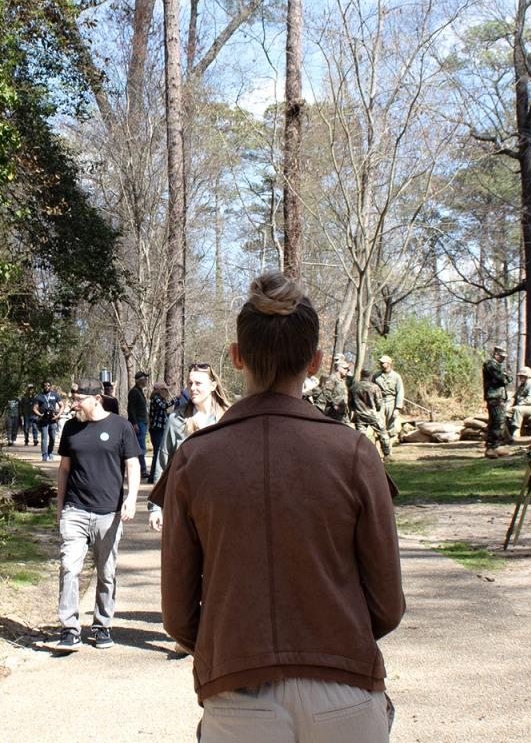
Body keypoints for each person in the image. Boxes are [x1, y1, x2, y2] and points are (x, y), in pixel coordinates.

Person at [152, 273, 403, 739]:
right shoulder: (353, 453)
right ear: (316, 362)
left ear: (236, 357)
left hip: (237, 692)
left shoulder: (196, 458)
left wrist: (228, 648)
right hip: (344, 689)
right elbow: (387, 604)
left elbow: (178, 616)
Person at [55, 379, 142, 649]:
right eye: (73, 397)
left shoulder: (120, 427)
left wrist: (131, 498)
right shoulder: (71, 427)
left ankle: (102, 625)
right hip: (75, 509)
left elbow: (133, 465)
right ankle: (69, 628)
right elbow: (64, 470)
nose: (74, 403)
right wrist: (60, 508)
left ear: (97, 398)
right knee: (69, 567)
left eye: (78, 398)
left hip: (109, 512)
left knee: (106, 572)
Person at [148, 363, 229, 531]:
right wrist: (155, 508)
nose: (192, 388)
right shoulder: (176, 420)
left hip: (220, 506)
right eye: (190, 383)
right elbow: (162, 463)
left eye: (198, 383)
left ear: (213, 385)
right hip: (183, 506)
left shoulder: (228, 418)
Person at [349, 364, 389, 459]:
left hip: (359, 415)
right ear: (370, 375)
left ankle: (361, 455)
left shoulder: (353, 387)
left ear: (362, 375)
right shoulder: (374, 387)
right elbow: (379, 403)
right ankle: (387, 454)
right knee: (383, 433)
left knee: (360, 437)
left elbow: (350, 403)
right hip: (372, 414)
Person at [482, 346, 512, 454]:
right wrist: (506, 377)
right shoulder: (491, 364)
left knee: (497, 421)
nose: (503, 359)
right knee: (497, 422)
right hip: (494, 397)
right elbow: (502, 379)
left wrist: (506, 377)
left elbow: (508, 379)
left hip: (498, 396)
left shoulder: (497, 366)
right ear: (496, 354)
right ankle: (493, 446)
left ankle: (494, 446)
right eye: (502, 356)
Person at [307, 355, 350, 423]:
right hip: (333, 413)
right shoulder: (333, 378)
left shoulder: (341, 380)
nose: (347, 370)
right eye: (345, 368)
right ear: (339, 368)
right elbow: (327, 393)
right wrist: (334, 405)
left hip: (341, 412)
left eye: (347, 369)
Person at [375, 354, 404, 447]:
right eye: (380, 362)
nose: (381, 364)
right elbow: (372, 389)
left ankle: (389, 449)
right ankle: (381, 448)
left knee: (391, 427)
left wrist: (397, 408)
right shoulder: (376, 376)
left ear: (389, 363)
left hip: (392, 401)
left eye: (383, 362)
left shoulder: (396, 376)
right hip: (380, 402)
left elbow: (400, 392)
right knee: (379, 425)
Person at [509, 366, 531, 442]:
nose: (520, 378)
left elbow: (530, 399)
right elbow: (514, 397)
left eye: (522, 376)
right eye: (520, 376)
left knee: (518, 410)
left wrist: (518, 404)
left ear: (527, 376)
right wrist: (509, 405)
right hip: (524, 406)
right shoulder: (521, 386)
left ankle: (516, 432)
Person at [33, 382, 64, 462]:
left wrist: (58, 415)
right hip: (44, 420)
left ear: (50, 386)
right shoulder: (39, 397)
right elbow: (34, 408)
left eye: (48, 385)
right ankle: (44, 454)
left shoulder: (55, 395)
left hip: (53, 420)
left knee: (53, 438)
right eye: (45, 386)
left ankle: (50, 452)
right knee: (44, 438)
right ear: (42, 387)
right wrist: (40, 415)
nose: (46, 387)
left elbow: (62, 405)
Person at [147, 382, 172, 480]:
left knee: (158, 452)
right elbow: (163, 406)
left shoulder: (159, 399)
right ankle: (153, 476)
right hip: (156, 430)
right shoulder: (155, 398)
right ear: (159, 390)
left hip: (160, 429)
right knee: (157, 452)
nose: (167, 392)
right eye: (165, 389)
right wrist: (176, 400)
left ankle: (154, 476)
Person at [126, 371, 149, 453]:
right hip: (139, 423)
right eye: (144, 378)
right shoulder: (134, 392)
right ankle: (141, 466)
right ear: (138, 380)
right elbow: (131, 408)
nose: (146, 380)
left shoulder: (140, 391)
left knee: (141, 446)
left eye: (146, 378)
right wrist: (134, 423)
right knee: (140, 447)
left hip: (143, 422)